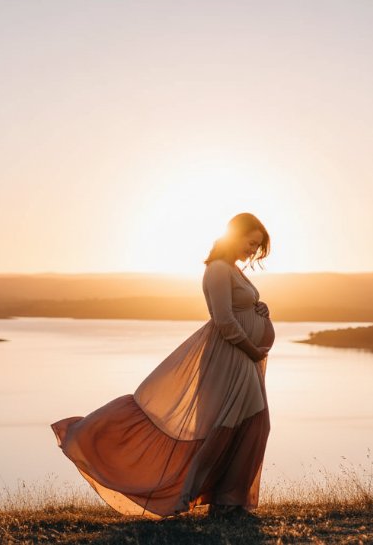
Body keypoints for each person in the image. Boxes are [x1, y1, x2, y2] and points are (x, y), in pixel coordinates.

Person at [51, 212, 275, 519]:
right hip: (231, 356)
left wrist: (258, 307)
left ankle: (228, 501)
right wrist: (252, 349)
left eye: (257, 248)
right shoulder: (218, 270)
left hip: (242, 356)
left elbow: (239, 307)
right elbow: (223, 320)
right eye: (251, 244)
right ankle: (217, 501)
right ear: (236, 236)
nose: (253, 252)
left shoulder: (233, 270)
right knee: (235, 426)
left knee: (251, 425)